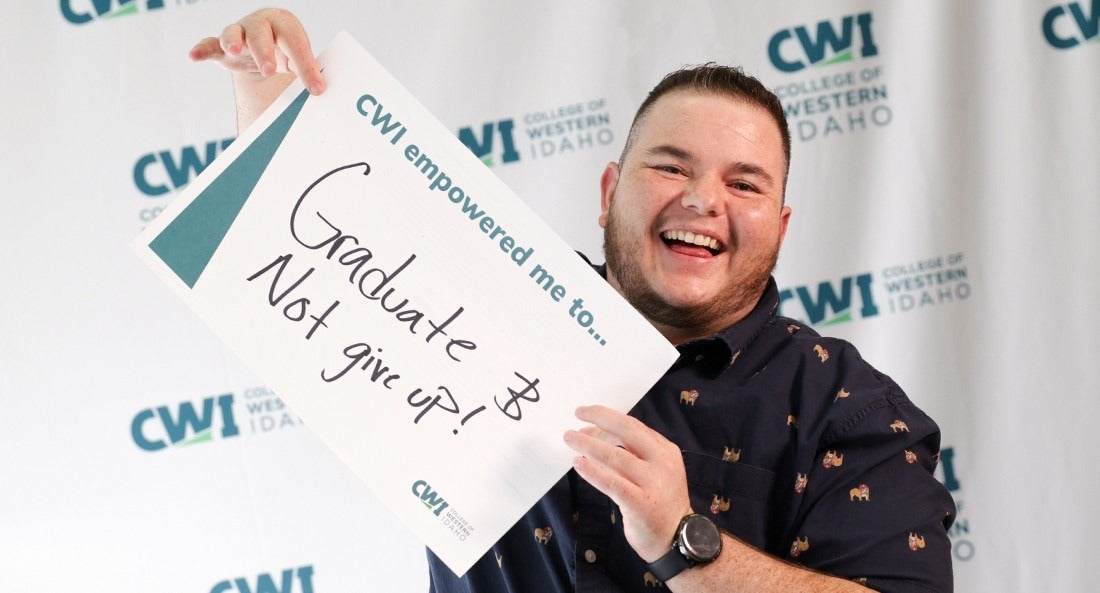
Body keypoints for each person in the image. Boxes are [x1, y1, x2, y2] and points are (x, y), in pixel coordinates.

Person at [191, 9, 955, 593]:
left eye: (743, 183)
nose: (700, 199)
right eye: (670, 166)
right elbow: (325, 258)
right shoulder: (494, 301)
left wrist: (687, 541)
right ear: (609, 192)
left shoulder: (846, 404)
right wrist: (271, 107)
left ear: (779, 227)